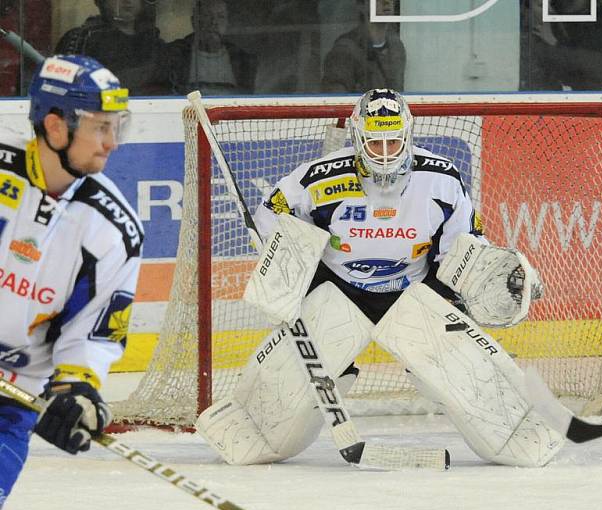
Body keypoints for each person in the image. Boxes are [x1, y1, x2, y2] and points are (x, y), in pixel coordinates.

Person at [195, 88, 561, 469]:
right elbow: (272, 214)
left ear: (408, 135)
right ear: (358, 138)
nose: (386, 153)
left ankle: (520, 426)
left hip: (415, 292)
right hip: (337, 291)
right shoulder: (320, 179)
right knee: (276, 414)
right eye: (375, 143)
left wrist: (483, 283)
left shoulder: (441, 180)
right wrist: (284, 259)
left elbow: (463, 251)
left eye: (393, 141)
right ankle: (260, 418)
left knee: (462, 373)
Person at [0, 55, 144, 509]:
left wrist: (76, 392)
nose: (112, 143)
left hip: (10, 398)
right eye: (101, 127)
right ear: (56, 126)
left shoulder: (113, 230)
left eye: (117, 126)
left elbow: (93, 334)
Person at [55, 0, 167, 95]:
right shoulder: (82, 38)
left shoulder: (153, 43)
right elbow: (63, 90)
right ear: (100, 2)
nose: (127, 1)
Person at [164, 0, 256, 96]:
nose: (214, 22)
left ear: (227, 23)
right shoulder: (173, 54)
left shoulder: (243, 59)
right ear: (194, 21)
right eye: (207, 15)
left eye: (221, 16)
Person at [321, 0, 405, 93]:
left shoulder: (396, 48)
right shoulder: (345, 50)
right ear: (361, 5)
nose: (386, 2)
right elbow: (336, 101)